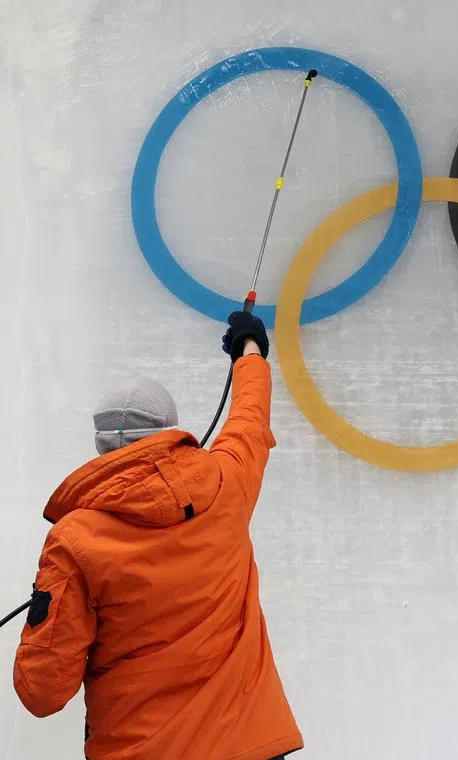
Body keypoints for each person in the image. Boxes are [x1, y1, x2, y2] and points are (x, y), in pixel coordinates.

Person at [12, 311, 302, 760]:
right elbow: (249, 419)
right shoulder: (226, 483)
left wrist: (46, 609)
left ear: (100, 447)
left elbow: (42, 691)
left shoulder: (75, 541)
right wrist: (249, 350)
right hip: (250, 745)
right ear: (168, 432)